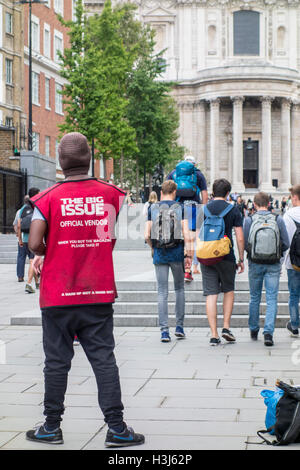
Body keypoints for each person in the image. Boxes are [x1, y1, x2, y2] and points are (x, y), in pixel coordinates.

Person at [26, 132, 144, 448]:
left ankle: (51, 427)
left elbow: (36, 243)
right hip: (97, 291)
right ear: (89, 158)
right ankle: (117, 429)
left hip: (57, 292)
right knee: (104, 359)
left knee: (56, 361)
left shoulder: (47, 198)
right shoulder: (111, 194)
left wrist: (54, 249)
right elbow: (107, 236)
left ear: (61, 162)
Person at [144, 180, 193, 343]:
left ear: (161, 192)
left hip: (160, 253)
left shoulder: (153, 208)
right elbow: (186, 233)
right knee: (179, 289)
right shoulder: (181, 208)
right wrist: (189, 255)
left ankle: (164, 331)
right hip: (177, 253)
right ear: (174, 192)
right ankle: (179, 327)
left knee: (162, 291)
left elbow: (146, 234)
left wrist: (153, 247)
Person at [198, 179, 245, 346]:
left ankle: (213, 334)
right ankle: (226, 327)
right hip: (226, 256)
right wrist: (241, 258)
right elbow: (239, 237)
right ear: (227, 193)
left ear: (212, 192)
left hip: (207, 255)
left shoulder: (204, 209)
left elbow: (197, 233)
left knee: (211, 294)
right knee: (228, 290)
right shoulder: (233, 210)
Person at [243, 192, 290, 347]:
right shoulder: (278, 219)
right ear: (269, 204)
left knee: (254, 297)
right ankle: (268, 333)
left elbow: (245, 244)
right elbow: (286, 243)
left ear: (254, 205)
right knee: (271, 298)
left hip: (255, 263)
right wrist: (277, 257)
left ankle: (253, 329)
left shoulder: (249, 220)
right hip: (273, 264)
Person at [167, 155, 208, 283]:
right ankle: (191, 268)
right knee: (193, 239)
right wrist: (204, 209)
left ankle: (180, 268)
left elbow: (166, 191)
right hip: (194, 207)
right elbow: (204, 194)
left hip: (177, 207)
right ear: (194, 165)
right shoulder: (198, 175)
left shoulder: (173, 173)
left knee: (179, 238)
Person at [283, 185, 300, 337]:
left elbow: (285, 241)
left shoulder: (288, 215)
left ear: (295, 197)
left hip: (293, 262)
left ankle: (294, 325)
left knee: (294, 294)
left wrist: (282, 260)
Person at [16, 188, 40, 291]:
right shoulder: (36, 206)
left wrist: (20, 239)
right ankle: (29, 284)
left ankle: (37, 283)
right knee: (32, 261)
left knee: (32, 260)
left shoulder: (23, 209)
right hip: (34, 238)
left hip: (25, 239)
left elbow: (19, 225)